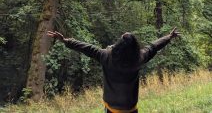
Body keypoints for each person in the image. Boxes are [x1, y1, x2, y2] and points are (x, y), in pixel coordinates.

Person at [47, 27, 180, 113]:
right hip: (130, 109)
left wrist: (66, 40)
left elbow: (86, 48)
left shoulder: (106, 56)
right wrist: (169, 37)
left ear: (119, 44)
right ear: (135, 47)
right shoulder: (139, 58)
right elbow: (154, 46)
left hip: (111, 108)